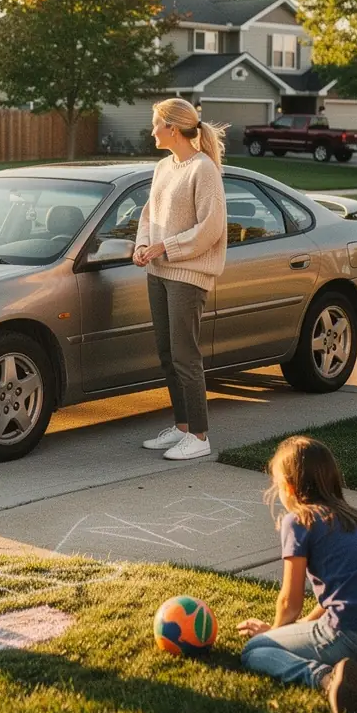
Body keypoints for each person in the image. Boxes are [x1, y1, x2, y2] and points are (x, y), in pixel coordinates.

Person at [237, 435, 357, 713]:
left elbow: (290, 602)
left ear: (288, 486)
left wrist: (273, 635)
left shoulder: (299, 520)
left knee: (255, 650)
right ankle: (351, 669)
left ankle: (325, 679)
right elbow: (345, 590)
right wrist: (293, 632)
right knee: (316, 632)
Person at [134, 97, 228, 460]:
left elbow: (211, 228)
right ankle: (182, 426)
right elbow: (148, 214)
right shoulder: (164, 167)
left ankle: (200, 437)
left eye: (156, 123)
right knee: (167, 353)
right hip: (158, 271)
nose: (152, 130)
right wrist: (143, 245)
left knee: (186, 355)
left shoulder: (203, 169)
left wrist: (164, 247)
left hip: (187, 275)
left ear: (172, 128)